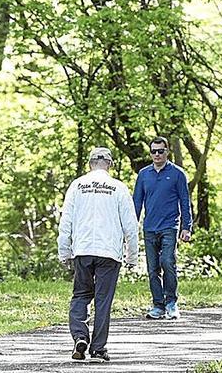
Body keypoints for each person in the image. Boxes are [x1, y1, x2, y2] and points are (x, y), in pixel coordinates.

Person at [57, 147, 139, 362]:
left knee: (81, 295)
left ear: (90, 164)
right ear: (110, 164)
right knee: (103, 300)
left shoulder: (77, 185)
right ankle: (99, 348)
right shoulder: (118, 187)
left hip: (83, 250)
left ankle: (79, 336)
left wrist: (64, 251)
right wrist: (132, 255)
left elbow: (66, 221)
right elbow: (130, 224)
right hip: (109, 252)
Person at [133, 136, 193, 320]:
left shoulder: (177, 174)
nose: (157, 154)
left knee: (167, 262)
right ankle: (157, 305)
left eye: (160, 151)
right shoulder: (144, 174)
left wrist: (186, 227)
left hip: (170, 226)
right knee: (152, 268)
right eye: (153, 151)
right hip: (149, 227)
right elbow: (136, 202)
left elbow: (185, 201)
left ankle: (171, 303)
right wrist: (130, 228)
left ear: (167, 151)